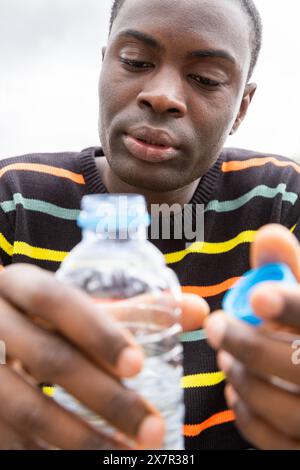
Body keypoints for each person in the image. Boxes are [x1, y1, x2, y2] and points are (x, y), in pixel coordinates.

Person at [0, 0, 299, 450]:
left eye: (206, 79)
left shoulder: (282, 202)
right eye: (136, 62)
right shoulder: (13, 201)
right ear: (103, 66)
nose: (162, 95)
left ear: (241, 108)